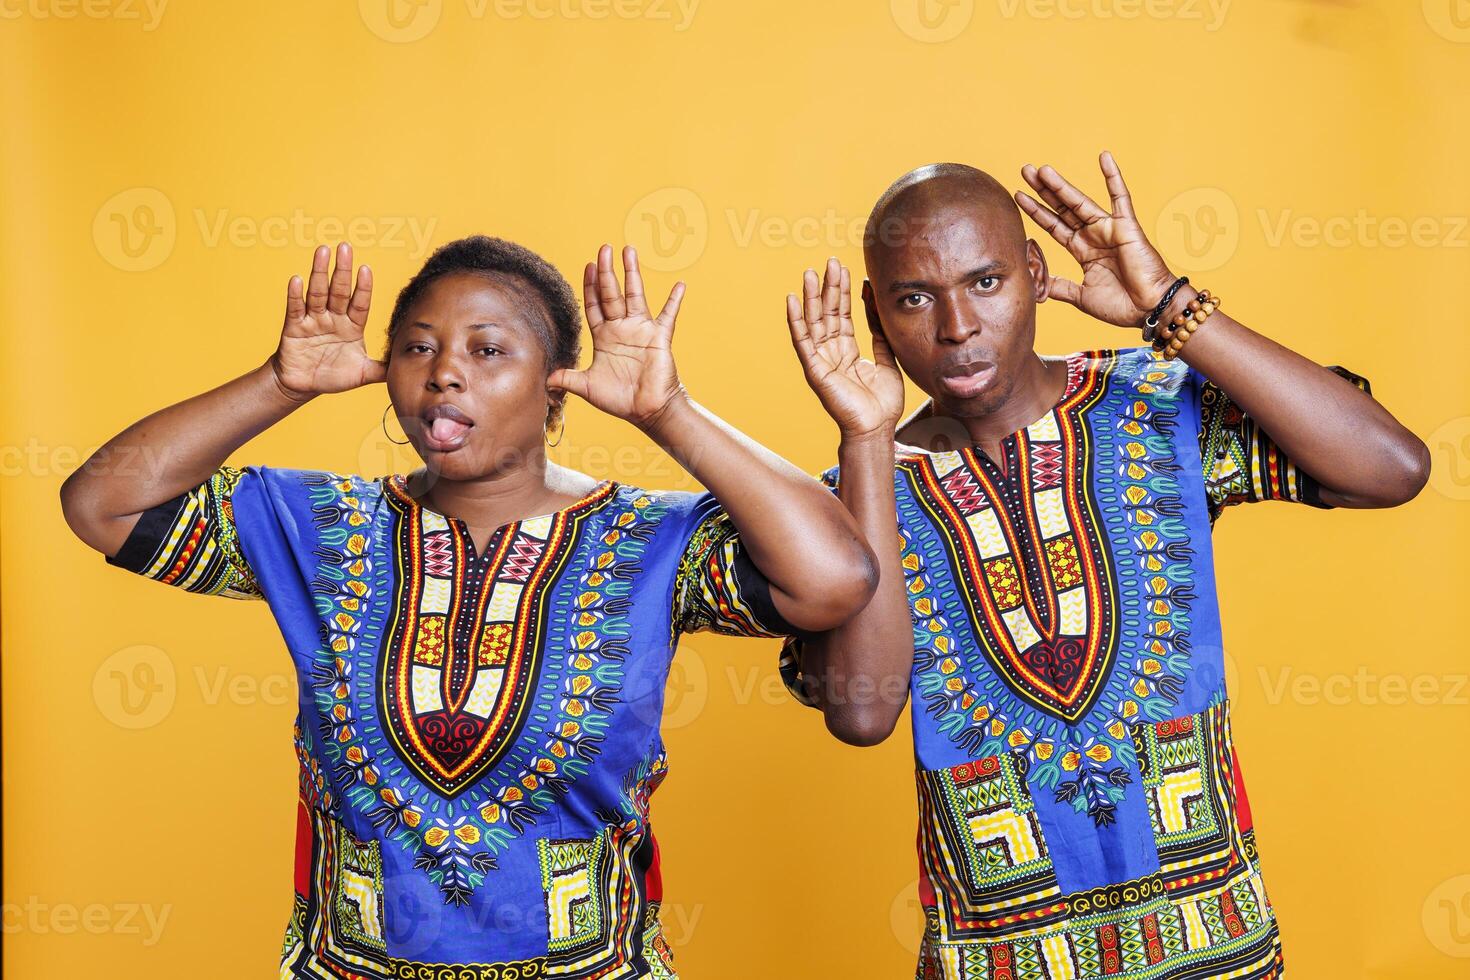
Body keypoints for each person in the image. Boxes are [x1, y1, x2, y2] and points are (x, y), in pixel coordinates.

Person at [60, 236, 877, 976]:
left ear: (558, 383)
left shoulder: (651, 540)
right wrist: (279, 384)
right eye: (419, 348)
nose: (445, 372)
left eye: (488, 351)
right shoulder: (315, 528)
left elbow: (836, 576)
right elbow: (101, 503)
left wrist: (668, 412)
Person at [780, 153, 1429, 979]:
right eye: (915, 298)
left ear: (1036, 273)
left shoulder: (1154, 405)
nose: (956, 328)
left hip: (1214, 946)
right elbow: (863, 715)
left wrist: (1172, 310)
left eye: (985, 283)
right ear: (876, 312)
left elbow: (1391, 469)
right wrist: (867, 437)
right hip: (998, 958)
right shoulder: (859, 494)